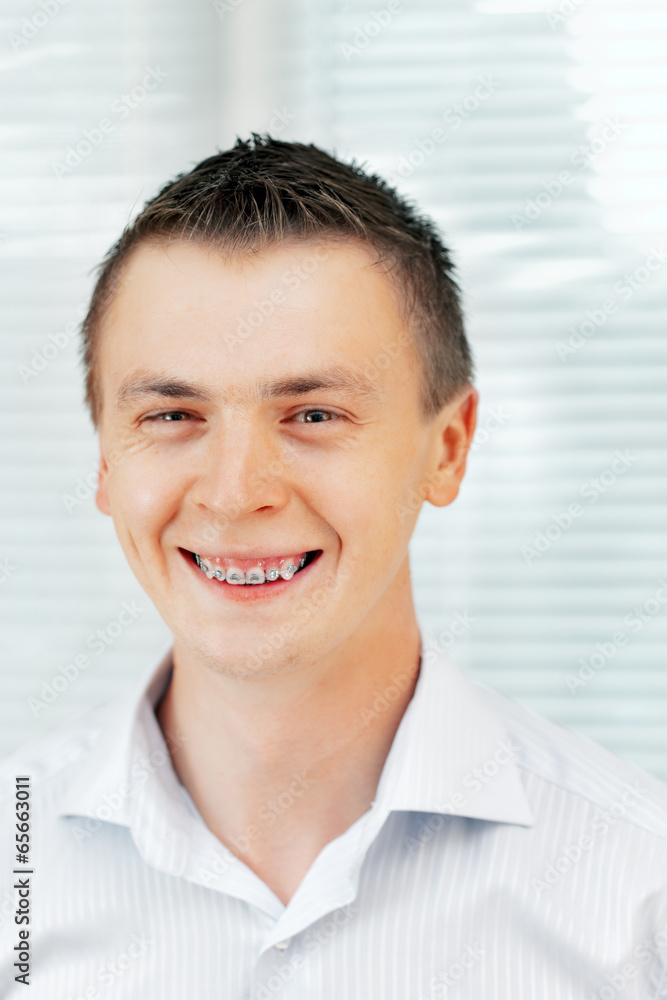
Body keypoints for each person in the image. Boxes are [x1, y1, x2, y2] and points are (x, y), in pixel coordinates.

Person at [1, 135, 666, 1000]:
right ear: (103, 462)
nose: (234, 494)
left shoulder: (639, 894)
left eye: (312, 414)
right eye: (171, 416)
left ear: (447, 449)